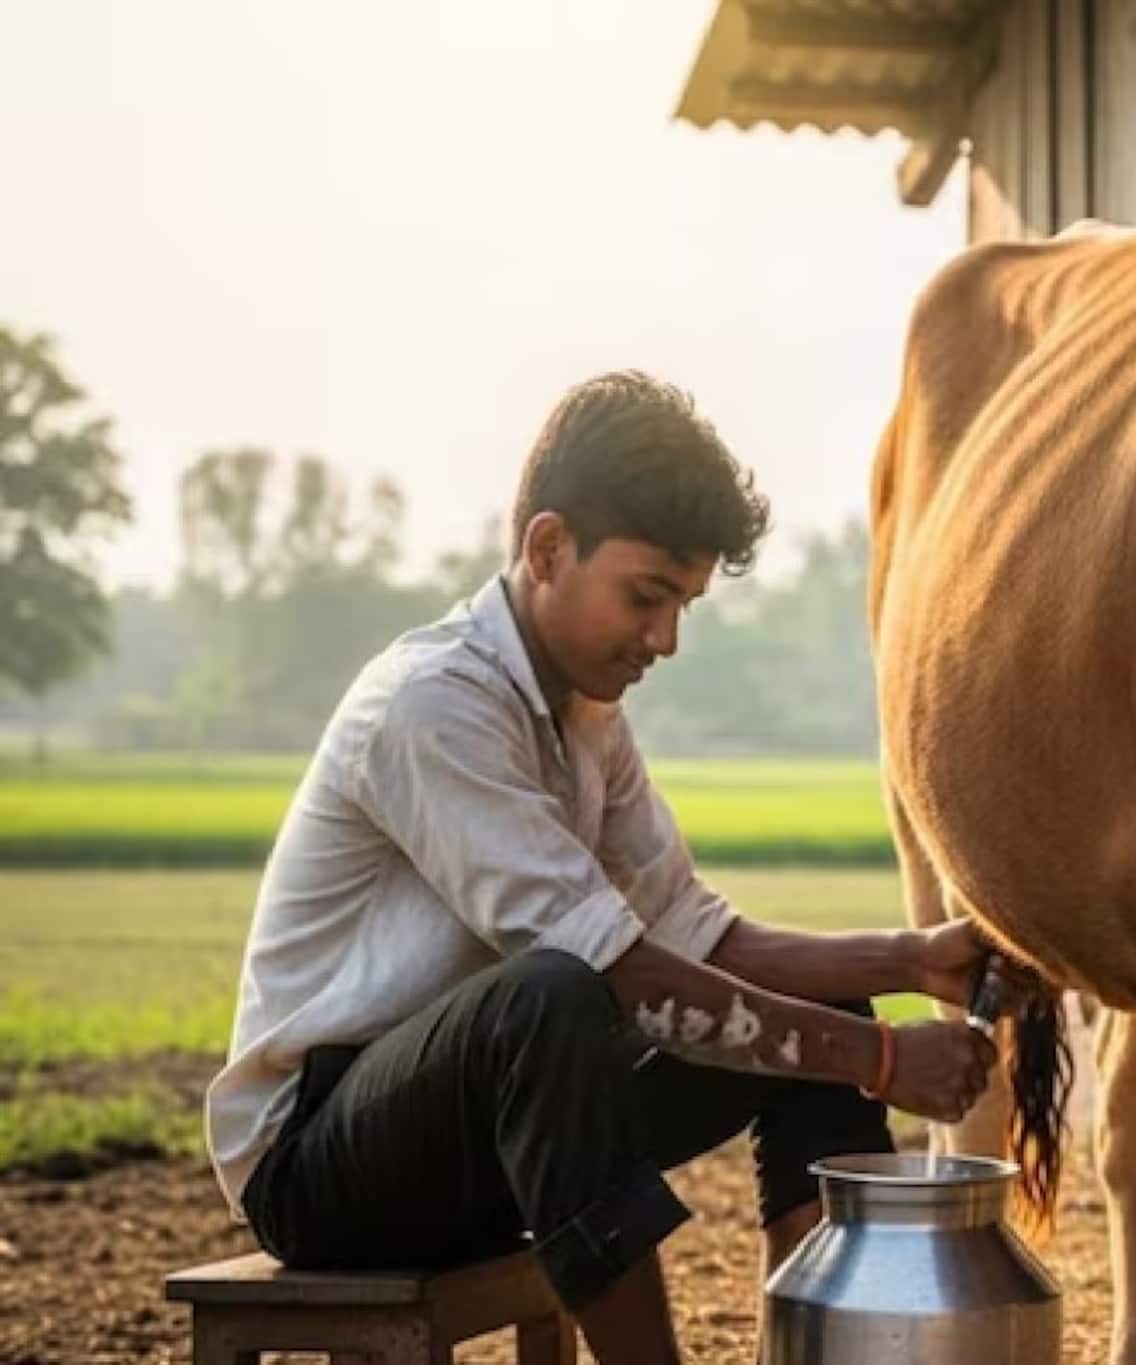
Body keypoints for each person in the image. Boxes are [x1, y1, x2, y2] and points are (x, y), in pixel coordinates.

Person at [203, 371, 996, 1363]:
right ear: (545, 549)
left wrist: (911, 960)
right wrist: (883, 1066)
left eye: (684, 606)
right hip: (322, 1162)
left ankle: (814, 1355)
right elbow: (617, 973)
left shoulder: (587, 716)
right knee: (552, 997)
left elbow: (697, 934)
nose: (663, 639)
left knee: (823, 1020)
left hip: (489, 1137)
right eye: (645, 596)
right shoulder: (432, 704)